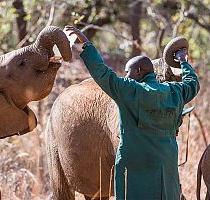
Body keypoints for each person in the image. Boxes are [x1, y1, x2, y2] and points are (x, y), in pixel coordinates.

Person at [65, 25, 200, 200]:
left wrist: (87, 45)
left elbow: (102, 73)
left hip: (136, 169)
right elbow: (192, 83)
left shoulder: (129, 91)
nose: (126, 76)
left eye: (128, 71)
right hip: (165, 168)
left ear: (138, 71)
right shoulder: (174, 91)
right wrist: (183, 61)